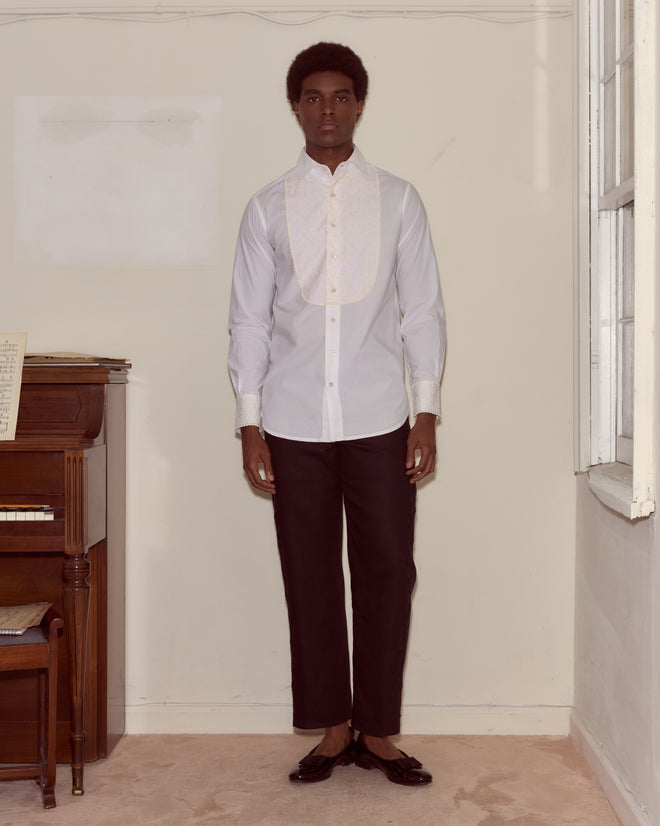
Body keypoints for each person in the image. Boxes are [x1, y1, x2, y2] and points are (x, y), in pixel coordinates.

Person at [228, 41, 446, 786]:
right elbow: (249, 321)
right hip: (291, 424)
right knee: (310, 574)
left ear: (359, 104)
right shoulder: (265, 207)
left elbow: (422, 311)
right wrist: (249, 421)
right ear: (296, 107)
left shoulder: (399, 200)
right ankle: (332, 730)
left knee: (387, 571)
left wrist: (427, 411)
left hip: (381, 418)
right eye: (313, 96)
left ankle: (377, 732)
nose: (328, 109)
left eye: (341, 95)